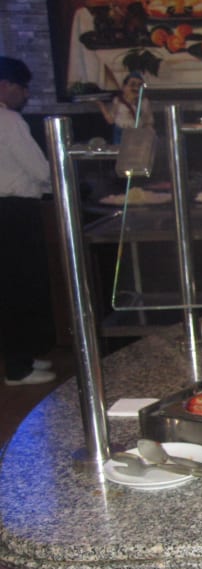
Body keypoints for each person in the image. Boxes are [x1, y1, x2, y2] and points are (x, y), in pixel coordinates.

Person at [0, 56, 57, 385]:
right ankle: (18, 369)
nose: (25, 95)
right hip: (14, 211)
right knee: (19, 288)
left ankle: (22, 358)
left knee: (11, 288)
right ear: (5, 85)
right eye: (22, 88)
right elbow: (39, 169)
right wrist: (59, 183)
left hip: (8, 210)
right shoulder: (9, 121)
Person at [95, 72, 153, 144]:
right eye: (132, 85)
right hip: (121, 134)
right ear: (124, 87)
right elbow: (111, 119)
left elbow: (148, 121)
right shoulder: (118, 101)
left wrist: (148, 134)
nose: (136, 88)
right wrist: (101, 106)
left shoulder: (144, 103)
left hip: (138, 135)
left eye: (139, 85)